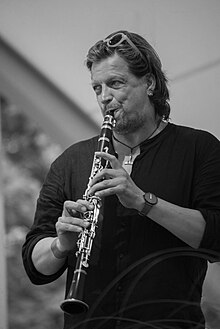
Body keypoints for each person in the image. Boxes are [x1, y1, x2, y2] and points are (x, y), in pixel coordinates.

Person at [22, 30, 220, 329]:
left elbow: (216, 239)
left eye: (115, 83)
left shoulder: (199, 149)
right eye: (97, 88)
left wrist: (142, 201)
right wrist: (60, 246)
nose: (104, 97)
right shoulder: (69, 161)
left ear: (150, 83)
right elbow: (35, 265)